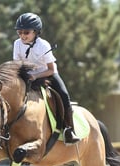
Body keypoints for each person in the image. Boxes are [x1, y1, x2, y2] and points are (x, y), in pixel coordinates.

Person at [13, 12, 80, 145]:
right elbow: (17, 65)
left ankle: (69, 130)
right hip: (28, 76)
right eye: (19, 32)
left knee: (64, 95)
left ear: (36, 32)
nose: (22, 36)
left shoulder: (43, 45)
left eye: (26, 32)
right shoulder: (17, 44)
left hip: (46, 74)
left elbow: (51, 69)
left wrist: (36, 75)